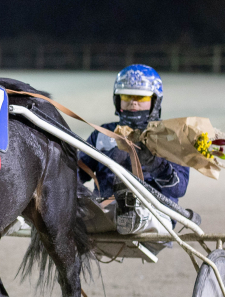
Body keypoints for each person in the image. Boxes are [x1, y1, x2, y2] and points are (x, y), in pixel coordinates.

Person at [78, 64, 189, 205]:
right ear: (117, 100)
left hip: (155, 212)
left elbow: (179, 189)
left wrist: (155, 164)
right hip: (106, 211)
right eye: (126, 96)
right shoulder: (102, 134)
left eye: (141, 98)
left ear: (155, 101)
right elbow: (78, 172)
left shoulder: (170, 136)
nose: (133, 103)